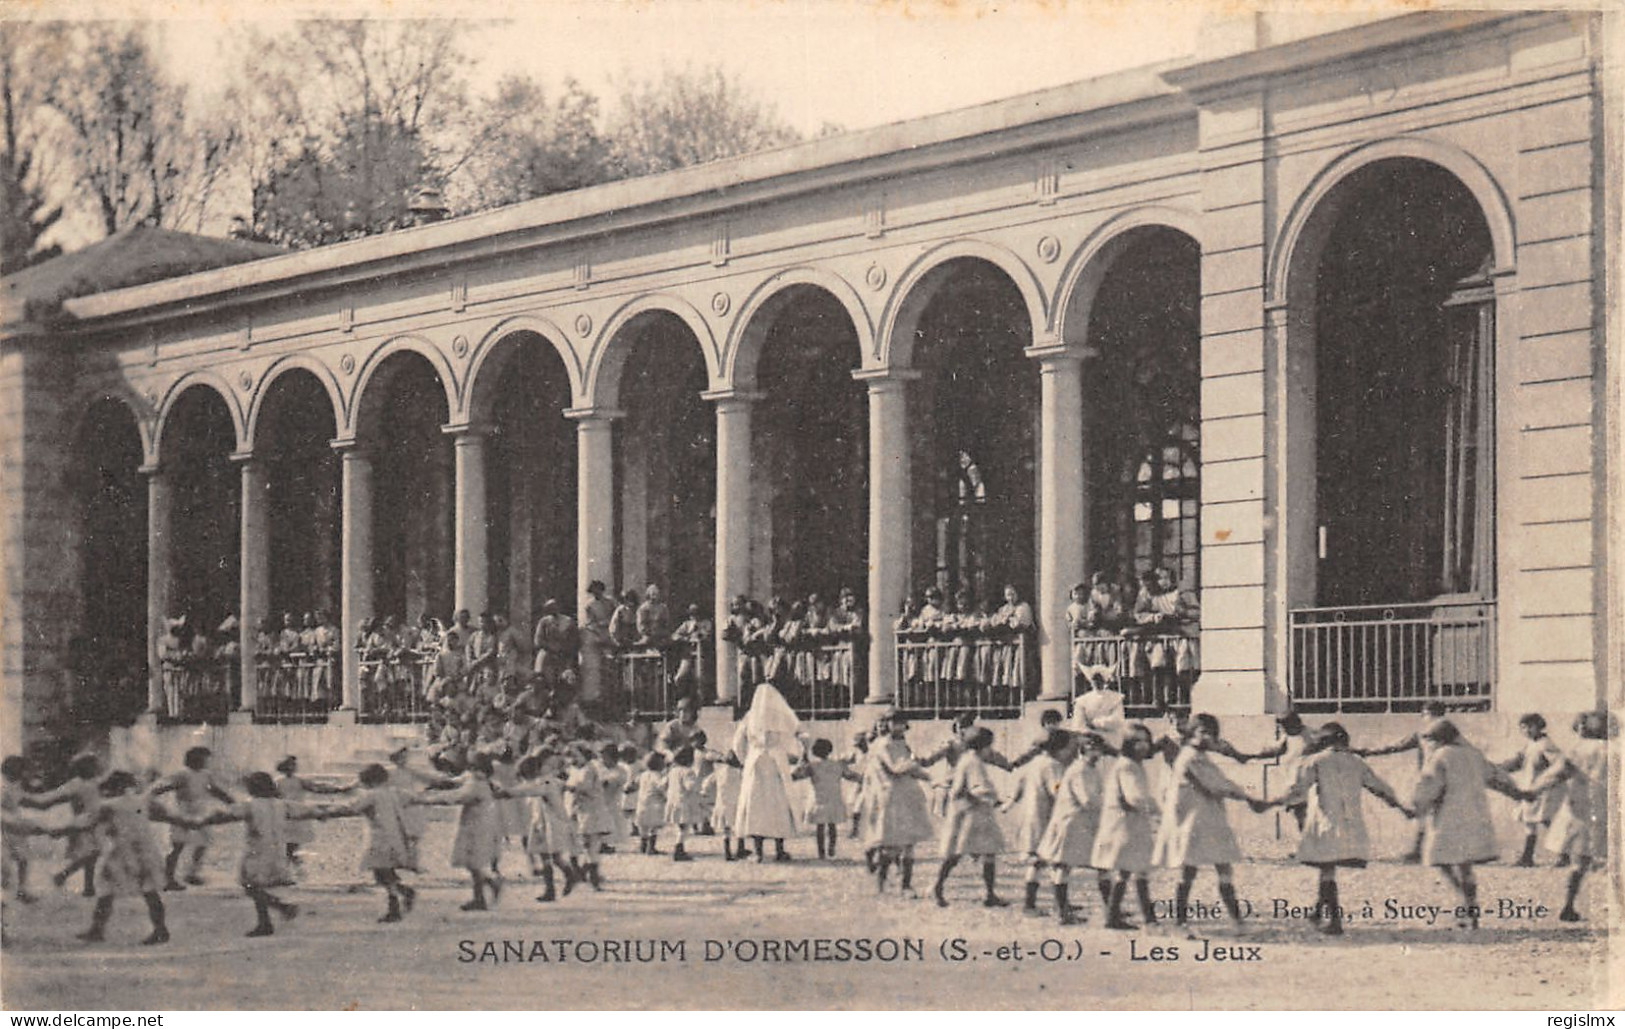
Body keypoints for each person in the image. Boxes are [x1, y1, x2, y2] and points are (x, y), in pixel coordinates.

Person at [1268, 723, 1409, 935]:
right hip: (1351, 827)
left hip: (1326, 823)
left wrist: (1271, 802)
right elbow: (1380, 788)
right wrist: (1401, 807)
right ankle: (1318, 912)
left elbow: (1297, 789)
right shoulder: (1356, 763)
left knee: (1327, 870)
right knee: (1328, 870)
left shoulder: (1316, 761)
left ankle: (1334, 921)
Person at [182, 771, 338, 937]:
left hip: (257, 851)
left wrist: (199, 821)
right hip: (277, 850)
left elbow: (225, 815)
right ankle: (272, 916)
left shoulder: (250, 805)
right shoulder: (282, 804)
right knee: (257, 886)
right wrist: (323, 814)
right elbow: (309, 811)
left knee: (250, 886)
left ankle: (275, 913)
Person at [1152, 713, 1269, 934]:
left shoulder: (1199, 756)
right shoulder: (1189, 757)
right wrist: (1250, 799)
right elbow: (1215, 785)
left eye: (1211, 733)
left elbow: (1220, 781)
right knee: (1190, 871)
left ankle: (1236, 921)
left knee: (1222, 867)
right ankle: (1181, 921)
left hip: (1208, 819)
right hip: (1193, 823)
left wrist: (1247, 797)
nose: (1207, 737)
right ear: (1192, 733)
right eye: (1202, 732)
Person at [1411, 718, 1529, 929]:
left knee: (1440, 860)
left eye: (1431, 740)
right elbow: (1495, 777)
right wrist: (1516, 793)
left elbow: (1430, 785)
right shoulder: (1474, 755)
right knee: (1465, 866)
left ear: (1439, 740)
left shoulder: (1440, 756)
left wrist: (1418, 806)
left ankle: (1465, 903)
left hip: (1449, 816)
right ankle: (1470, 908)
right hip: (1475, 814)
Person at [45, 771, 175, 945]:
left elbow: (87, 823)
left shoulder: (109, 805)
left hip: (123, 851)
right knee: (150, 892)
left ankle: (97, 930)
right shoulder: (143, 800)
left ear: (113, 787)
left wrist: (60, 831)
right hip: (146, 850)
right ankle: (161, 930)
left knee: (106, 890)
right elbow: (164, 813)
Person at [1530, 711, 1611, 921]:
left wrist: (1530, 792)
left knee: (1579, 863)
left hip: (1582, 811)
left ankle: (1568, 905)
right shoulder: (1617, 750)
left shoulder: (1577, 750)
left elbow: (1556, 774)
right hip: (1611, 810)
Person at [323, 763, 422, 922]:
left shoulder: (371, 795)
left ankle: (395, 905)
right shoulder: (394, 792)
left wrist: (326, 811)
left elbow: (351, 808)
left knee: (382, 872)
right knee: (385, 871)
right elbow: (414, 797)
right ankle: (403, 893)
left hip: (379, 838)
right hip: (395, 836)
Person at [1351, 700, 1448, 862]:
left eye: (1425, 714)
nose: (1424, 718)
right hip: (1433, 779)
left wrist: (1367, 752)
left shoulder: (1431, 734)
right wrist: (1367, 752)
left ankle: (1422, 852)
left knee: (1430, 815)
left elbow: (1395, 746)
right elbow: (1396, 746)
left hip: (1434, 779)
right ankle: (1421, 851)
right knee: (1428, 815)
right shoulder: (1432, 734)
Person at [1035, 731, 1111, 925]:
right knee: (1063, 866)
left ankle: (1112, 909)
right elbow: (1087, 799)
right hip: (1070, 824)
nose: (1100, 753)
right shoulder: (1079, 770)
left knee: (1102, 865)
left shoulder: (1092, 769)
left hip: (1084, 824)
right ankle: (1063, 913)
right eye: (1096, 749)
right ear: (1086, 749)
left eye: (1100, 749)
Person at [1092, 723, 1162, 930]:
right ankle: (1117, 918)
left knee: (1136, 869)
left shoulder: (1132, 764)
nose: (1143, 746)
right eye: (1137, 741)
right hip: (1124, 825)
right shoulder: (1127, 766)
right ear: (1128, 744)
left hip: (1129, 824)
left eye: (1146, 741)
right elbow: (1135, 798)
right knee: (1129, 870)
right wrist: (1159, 812)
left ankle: (1144, 917)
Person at [931, 727, 1007, 908]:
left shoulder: (967, 759)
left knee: (980, 852)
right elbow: (972, 788)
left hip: (969, 811)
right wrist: (987, 799)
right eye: (989, 746)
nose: (990, 750)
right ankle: (938, 887)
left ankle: (988, 894)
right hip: (970, 813)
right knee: (960, 853)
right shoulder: (974, 762)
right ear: (982, 746)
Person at [420, 753, 504, 911]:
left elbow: (456, 796)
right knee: (472, 863)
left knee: (473, 862)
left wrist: (427, 798)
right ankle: (479, 898)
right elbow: (452, 783)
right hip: (479, 823)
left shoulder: (475, 784)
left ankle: (491, 883)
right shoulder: (478, 780)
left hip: (477, 826)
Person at [732, 683, 801, 862]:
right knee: (778, 806)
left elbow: (738, 743)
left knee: (756, 807)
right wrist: (790, 757)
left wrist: (745, 760)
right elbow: (792, 740)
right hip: (776, 763)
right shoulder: (780, 717)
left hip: (755, 762)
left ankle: (758, 852)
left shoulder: (750, 717)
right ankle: (779, 850)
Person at [865, 715, 933, 894]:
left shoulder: (903, 744)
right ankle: (881, 882)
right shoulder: (882, 745)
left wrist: (927, 776)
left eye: (902, 723)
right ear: (888, 724)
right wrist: (915, 764)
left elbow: (911, 769)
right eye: (895, 722)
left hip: (909, 794)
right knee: (892, 843)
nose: (900, 726)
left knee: (910, 843)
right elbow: (896, 768)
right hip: (892, 796)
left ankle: (906, 885)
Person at [151, 747, 235, 890]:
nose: (207, 761)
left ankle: (192, 873)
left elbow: (215, 790)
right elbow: (162, 787)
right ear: (195, 759)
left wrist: (231, 801)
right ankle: (168, 878)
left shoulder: (206, 775)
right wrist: (152, 798)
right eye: (205, 758)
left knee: (203, 842)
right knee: (177, 846)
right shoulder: (182, 774)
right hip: (183, 812)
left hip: (201, 812)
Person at [20, 753, 104, 896]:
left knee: (92, 852)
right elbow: (47, 800)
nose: (97, 768)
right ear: (86, 768)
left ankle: (85, 886)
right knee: (91, 852)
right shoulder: (75, 784)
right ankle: (64, 877)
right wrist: (23, 798)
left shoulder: (93, 782)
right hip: (82, 823)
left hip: (93, 822)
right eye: (94, 765)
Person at [1005, 727, 1068, 914]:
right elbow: (1057, 791)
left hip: (1030, 816)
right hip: (1045, 818)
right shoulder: (1053, 766)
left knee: (1037, 861)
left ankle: (1030, 904)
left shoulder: (1034, 763)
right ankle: (1061, 907)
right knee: (1058, 861)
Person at [1498, 713, 1566, 867]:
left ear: (1539, 726)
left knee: (1548, 821)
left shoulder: (1546, 744)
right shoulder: (1530, 744)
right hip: (1530, 788)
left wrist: (1550, 780)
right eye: (1523, 727)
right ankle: (1527, 857)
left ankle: (1564, 855)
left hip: (1545, 790)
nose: (1527, 730)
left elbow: (1559, 765)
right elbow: (1518, 761)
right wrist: (1498, 768)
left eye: (1531, 726)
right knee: (1529, 822)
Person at [273, 755, 352, 867]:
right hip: (286, 813)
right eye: (290, 766)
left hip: (296, 812)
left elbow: (318, 788)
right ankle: (291, 863)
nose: (292, 768)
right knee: (287, 843)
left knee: (292, 843)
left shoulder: (298, 781)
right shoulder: (278, 782)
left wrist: (337, 789)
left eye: (293, 766)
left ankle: (291, 863)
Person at [792, 738, 858, 860]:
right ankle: (831, 849)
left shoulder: (812, 766)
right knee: (832, 827)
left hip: (818, 799)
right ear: (830, 750)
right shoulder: (838, 764)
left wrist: (801, 762)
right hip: (834, 798)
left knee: (820, 828)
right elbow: (851, 776)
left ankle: (821, 853)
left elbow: (796, 776)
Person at [2, 756, 38, 902]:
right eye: (22, 771)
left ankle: (22, 890)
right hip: (5, 830)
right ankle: (5, 894)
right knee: (5, 864)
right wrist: (12, 819)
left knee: (23, 860)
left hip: (16, 831)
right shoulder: (4, 788)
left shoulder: (17, 788)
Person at [580, 581, 617, 704]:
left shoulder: (610, 602)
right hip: (597, 637)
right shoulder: (589, 605)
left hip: (610, 636)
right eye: (593, 590)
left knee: (611, 667)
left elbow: (616, 617)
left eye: (598, 589)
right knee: (597, 669)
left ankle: (612, 696)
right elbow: (590, 623)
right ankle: (596, 697)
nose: (596, 592)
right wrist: (599, 628)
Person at [705, 752, 746, 861]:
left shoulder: (719, 772)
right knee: (739, 827)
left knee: (726, 829)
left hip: (722, 804)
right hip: (736, 803)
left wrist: (705, 791)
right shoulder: (739, 773)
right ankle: (740, 849)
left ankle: (727, 852)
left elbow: (707, 782)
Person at [531, 599, 578, 692]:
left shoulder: (568, 621)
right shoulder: (544, 622)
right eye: (549, 608)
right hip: (547, 653)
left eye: (554, 607)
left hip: (563, 655)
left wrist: (565, 648)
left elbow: (574, 639)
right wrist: (550, 647)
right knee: (542, 676)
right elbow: (538, 640)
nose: (552, 610)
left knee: (566, 678)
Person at [665, 747, 702, 861]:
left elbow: (663, 784)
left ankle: (679, 848)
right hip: (683, 803)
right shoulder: (688, 772)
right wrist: (698, 787)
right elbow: (689, 786)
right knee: (684, 828)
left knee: (679, 827)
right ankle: (679, 850)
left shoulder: (672, 771)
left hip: (673, 801)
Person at [634, 751, 669, 855]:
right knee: (653, 826)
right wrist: (666, 780)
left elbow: (634, 783)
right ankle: (651, 847)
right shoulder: (657, 775)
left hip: (642, 803)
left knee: (643, 826)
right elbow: (661, 786)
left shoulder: (643, 775)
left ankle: (643, 845)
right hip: (654, 803)